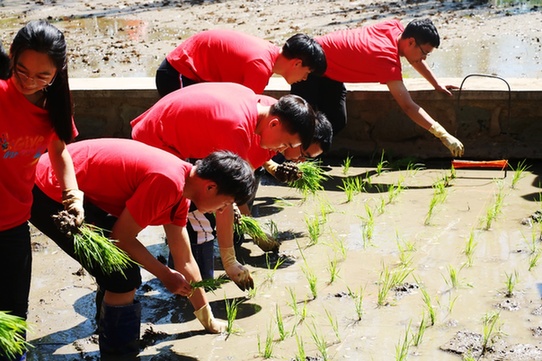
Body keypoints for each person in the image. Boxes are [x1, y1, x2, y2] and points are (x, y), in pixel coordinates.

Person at [30, 138, 256, 359]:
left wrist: (208, 320)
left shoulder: (182, 189)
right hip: (49, 188)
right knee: (123, 276)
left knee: (116, 268)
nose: (222, 209)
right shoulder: (168, 182)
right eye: (225, 204)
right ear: (210, 187)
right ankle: (119, 354)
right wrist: (165, 274)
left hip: (82, 193)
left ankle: (107, 330)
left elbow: (185, 259)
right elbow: (121, 238)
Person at [131, 81, 316, 288]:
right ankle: (184, 287)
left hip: (167, 137)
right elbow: (224, 201)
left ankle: (185, 280)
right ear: (274, 124)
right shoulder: (235, 129)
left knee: (193, 214)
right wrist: (230, 261)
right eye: (286, 144)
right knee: (195, 218)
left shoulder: (256, 104)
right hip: (155, 145)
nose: (282, 150)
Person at [0, 20, 84, 361]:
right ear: (11, 57)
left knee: (13, 319)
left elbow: (59, 150)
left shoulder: (52, 109)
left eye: (42, 76)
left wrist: (72, 194)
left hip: (13, 224)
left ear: (58, 71)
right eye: (21, 71)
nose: (29, 82)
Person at [291, 18, 464, 157]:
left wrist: (435, 83)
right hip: (308, 65)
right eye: (424, 52)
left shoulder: (394, 27)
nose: (424, 58)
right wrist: (442, 134)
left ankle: (305, 158)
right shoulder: (386, 60)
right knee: (302, 124)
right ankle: (281, 163)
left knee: (336, 121)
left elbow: (415, 59)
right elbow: (408, 106)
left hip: (330, 72)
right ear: (411, 42)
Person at [155, 29, 327, 97]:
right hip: (177, 74)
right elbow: (246, 116)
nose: (304, 78)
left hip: (191, 77)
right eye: (307, 73)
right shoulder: (260, 67)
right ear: (296, 63)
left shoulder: (267, 55)